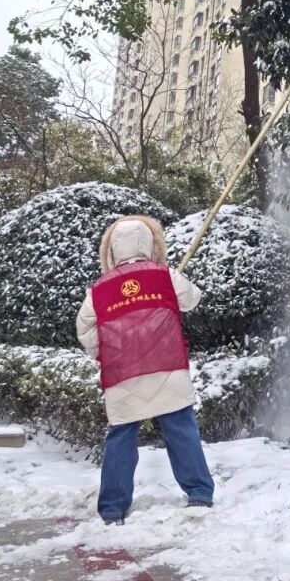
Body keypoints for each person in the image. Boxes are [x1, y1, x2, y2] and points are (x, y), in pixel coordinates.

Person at [76, 215, 214, 525]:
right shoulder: (164, 275)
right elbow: (192, 300)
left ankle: (112, 509)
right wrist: (169, 281)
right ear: (151, 244)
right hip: (167, 369)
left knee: (121, 438)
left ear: (112, 250)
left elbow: (84, 329)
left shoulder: (98, 290)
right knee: (181, 431)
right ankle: (199, 493)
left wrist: (101, 351)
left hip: (122, 376)